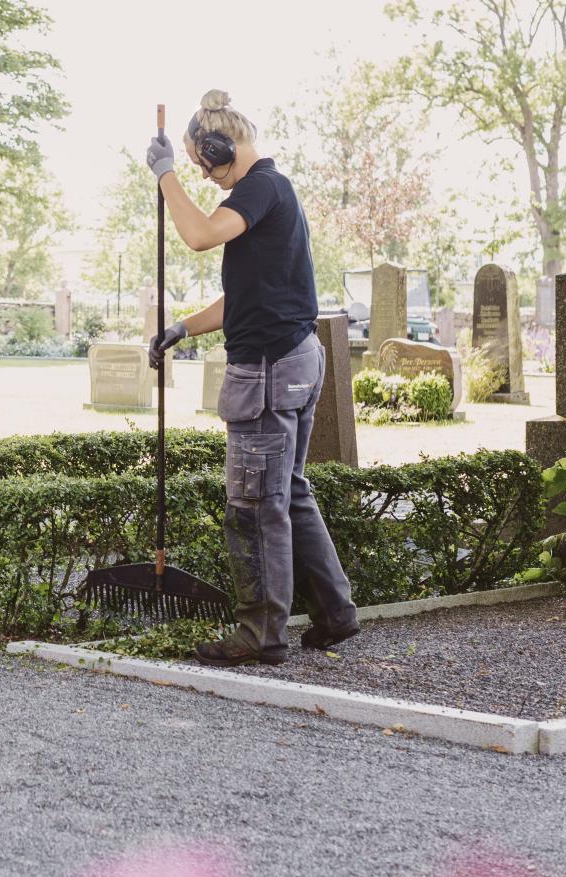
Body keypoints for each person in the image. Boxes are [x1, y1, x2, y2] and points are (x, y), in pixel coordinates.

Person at [145, 90, 359, 666]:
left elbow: (197, 235)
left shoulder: (260, 187)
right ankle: (335, 615)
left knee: (254, 504)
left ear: (221, 148)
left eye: (200, 163)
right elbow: (243, 294)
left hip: (268, 370)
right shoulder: (268, 193)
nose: (202, 175)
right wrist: (183, 328)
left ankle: (261, 633)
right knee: (287, 491)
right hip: (292, 358)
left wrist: (166, 176)